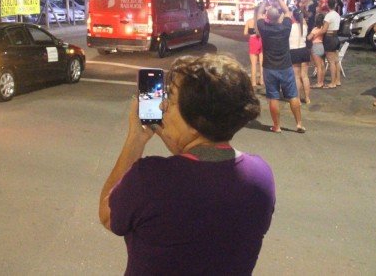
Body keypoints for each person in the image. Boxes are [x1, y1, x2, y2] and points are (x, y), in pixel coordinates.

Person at [98, 54, 275, 275]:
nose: (163, 105)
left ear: (195, 123)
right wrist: (183, 144)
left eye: (170, 100)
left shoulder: (152, 179)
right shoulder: (260, 176)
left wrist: (135, 139)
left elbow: (108, 215)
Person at [256, 0, 305, 133]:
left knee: (273, 97)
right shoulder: (285, 27)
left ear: (267, 17)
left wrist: (265, 2)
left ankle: (276, 126)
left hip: (269, 68)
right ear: (279, 17)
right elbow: (287, 11)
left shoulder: (264, 29)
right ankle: (299, 124)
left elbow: (259, 13)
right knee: (293, 96)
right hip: (285, 66)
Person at [289, 7, 311, 104]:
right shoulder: (304, 27)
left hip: (294, 51)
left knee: (297, 77)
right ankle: (307, 98)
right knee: (305, 76)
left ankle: (297, 98)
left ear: (293, 16)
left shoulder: (290, 27)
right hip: (304, 50)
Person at [322, 0, 342, 89]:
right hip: (336, 37)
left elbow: (324, 29)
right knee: (336, 61)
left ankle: (332, 82)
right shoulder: (337, 14)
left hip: (329, 38)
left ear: (327, 4)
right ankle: (337, 80)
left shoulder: (328, 16)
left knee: (331, 61)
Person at [243, 5, 263, 87]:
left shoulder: (249, 21)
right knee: (262, 63)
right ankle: (262, 80)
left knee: (253, 64)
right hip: (261, 40)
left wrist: (251, 33)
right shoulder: (262, 21)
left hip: (253, 41)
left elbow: (245, 33)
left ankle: (253, 82)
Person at [307, 13, 327, 88]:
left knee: (318, 66)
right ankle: (322, 81)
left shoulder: (315, 29)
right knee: (322, 65)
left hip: (316, 46)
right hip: (322, 46)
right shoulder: (323, 28)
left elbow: (309, 38)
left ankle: (319, 83)